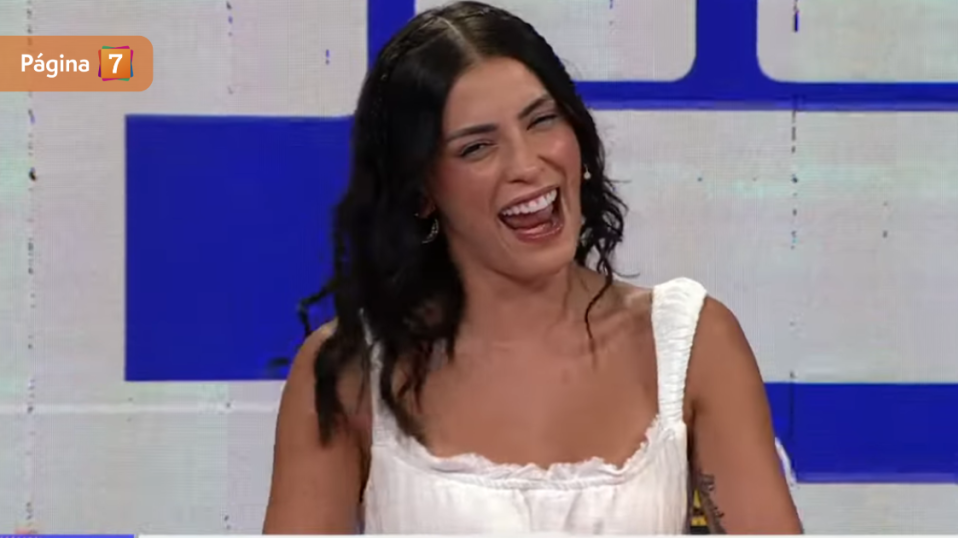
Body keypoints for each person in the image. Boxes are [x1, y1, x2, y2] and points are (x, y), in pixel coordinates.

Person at [263, 1, 802, 534]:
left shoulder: (692, 345)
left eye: (542, 121)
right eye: (477, 148)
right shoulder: (350, 374)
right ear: (422, 190)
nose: (527, 165)